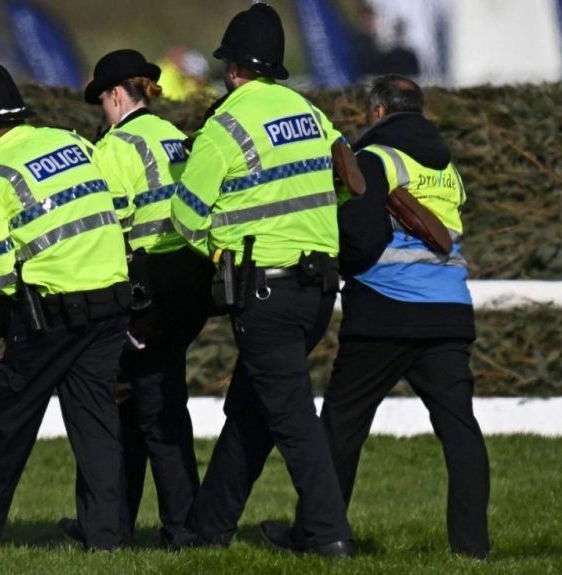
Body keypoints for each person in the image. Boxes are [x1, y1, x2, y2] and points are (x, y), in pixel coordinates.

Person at [169, 3, 353, 557]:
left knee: (292, 416)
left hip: (265, 291)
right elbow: (350, 177)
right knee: (252, 410)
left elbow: (186, 215)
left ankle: (327, 536)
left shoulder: (226, 125)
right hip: (318, 289)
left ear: (232, 69)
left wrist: (220, 251)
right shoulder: (312, 114)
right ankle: (208, 531)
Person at [0, 61, 132, 551]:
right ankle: (108, 538)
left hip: (51, 314)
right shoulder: (71, 143)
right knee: (96, 426)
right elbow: (119, 206)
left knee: (7, 424)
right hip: (112, 300)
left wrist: (1, 321)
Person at [321, 74, 490, 559]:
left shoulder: (375, 158)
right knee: (460, 429)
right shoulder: (447, 167)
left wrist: (345, 267)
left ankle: (321, 536)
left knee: (341, 426)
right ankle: (472, 549)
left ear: (377, 113)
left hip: (385, 309)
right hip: (448, 310)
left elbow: (358, 236)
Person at [57, 49, 214, 547]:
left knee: (144, 408)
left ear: (118, 94)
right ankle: (129, 523)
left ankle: (171, 527)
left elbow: (110, 228)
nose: (102, 109)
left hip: (144, 290)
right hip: (188, 282)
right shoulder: (176, 138)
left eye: (103, 99)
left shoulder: (115, 148)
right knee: (152, 403)